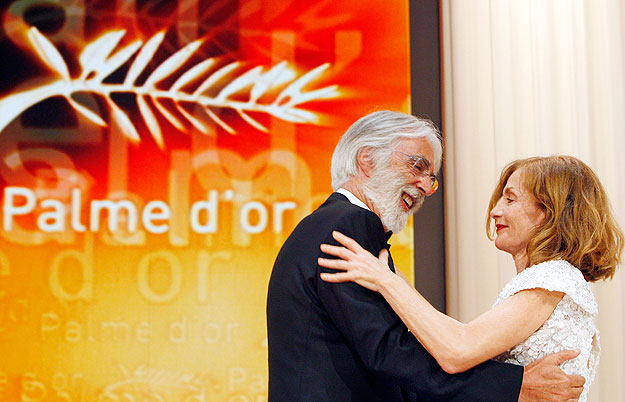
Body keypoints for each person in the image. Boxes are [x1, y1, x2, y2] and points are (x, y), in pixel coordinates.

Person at [266, 110, 586, 401]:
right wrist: (516, 385)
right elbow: (389, 351)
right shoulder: (349, 223)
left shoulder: (334, 223)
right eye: (417, 166)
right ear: (367, 159)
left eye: (430, 178)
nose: (424, 185)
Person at [318, 155, 623, 402]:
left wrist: (385, 280)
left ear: (549, 212)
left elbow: (457, 350)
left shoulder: (552, 278)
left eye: (510, 200)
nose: (495, 211)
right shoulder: (549, 281)